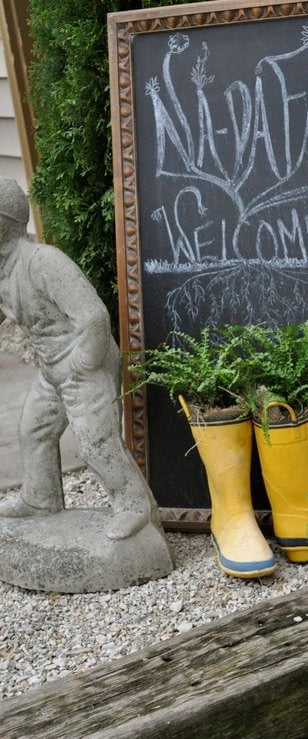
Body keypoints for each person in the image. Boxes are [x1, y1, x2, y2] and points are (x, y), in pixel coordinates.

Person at [0, 175, 159, 540]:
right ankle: (41, 498)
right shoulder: (1, 270)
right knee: (34, 430)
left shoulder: (43, 262)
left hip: (84, 361)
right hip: (51, 368)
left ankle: (134, 507)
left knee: (95, 441)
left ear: (4, 223)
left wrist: (81, 364)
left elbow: (93, 317)